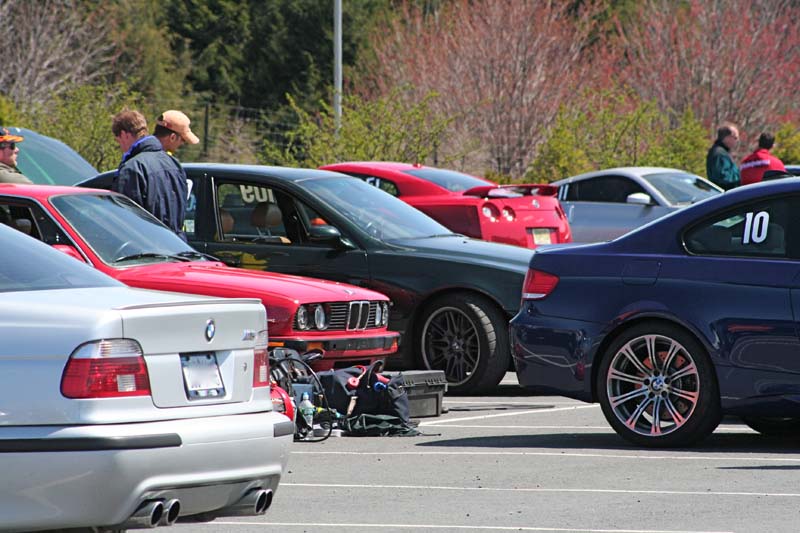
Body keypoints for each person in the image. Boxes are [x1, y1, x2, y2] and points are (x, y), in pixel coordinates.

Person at [111, 109, 187, 236]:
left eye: (118, 141)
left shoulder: (132, 168)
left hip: (147, 247)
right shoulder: (174, 164)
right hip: (176, 246)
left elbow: (125, 220)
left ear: (124, 134)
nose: (120, 147)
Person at [706, 123, 740, 190]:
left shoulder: (721, 152)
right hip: (725, 195)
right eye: (735, 137)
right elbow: (723, 177)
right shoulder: (719, 154)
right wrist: (741, 177)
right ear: (727, 137)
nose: (737, 140)